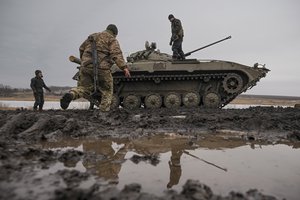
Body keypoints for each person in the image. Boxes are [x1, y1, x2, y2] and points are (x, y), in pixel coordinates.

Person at [60, 24, 131, 111]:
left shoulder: (93, 36)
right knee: (107, 91)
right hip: (102, 68)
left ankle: (72, 95)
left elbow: (81, 48)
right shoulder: (112, 39)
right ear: (115, 33)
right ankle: (103, 112)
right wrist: (124, 67)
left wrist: (84, 61)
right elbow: (116, 54)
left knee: (83, 88)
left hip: (85, 66)